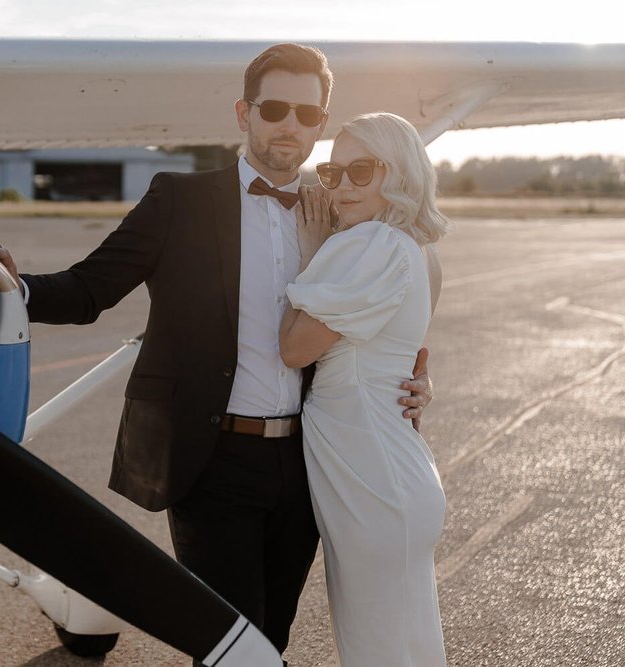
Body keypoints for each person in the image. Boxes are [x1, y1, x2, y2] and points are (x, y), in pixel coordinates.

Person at [0, 45, 433, 658]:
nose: (289, 125)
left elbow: (383, 318)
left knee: (272, 642)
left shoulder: (341, 215)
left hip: (305, 463)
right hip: (210, 457)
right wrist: (10, 285)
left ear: (321, 124)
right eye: (274, 108)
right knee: (230, 647)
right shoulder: (178, 200)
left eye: (307, 113)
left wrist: (416, 381)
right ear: (244, 112)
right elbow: (88, 291)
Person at [279, 111, 449, 666]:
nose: (342, 186)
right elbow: (403, 355)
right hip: (394, 477)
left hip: (373, 484)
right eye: (332, 174)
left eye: (362, 171)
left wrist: (310, 255)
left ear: (397, 173)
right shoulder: (419, 250)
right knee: (405, 650)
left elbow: (294, 348)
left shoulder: (369, 242)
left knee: (378, 653)